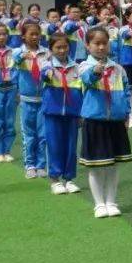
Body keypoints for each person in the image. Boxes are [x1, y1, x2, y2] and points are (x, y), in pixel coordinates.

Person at [79, 27, 132, 219]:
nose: (101, 47)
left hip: (116, 122)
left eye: (104, 43)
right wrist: (95, 71)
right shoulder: (84, 66)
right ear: (87, 45)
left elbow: (126, 92)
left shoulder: (118, 69)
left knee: (113, 164)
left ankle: (111, 201)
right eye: (96, 43)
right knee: (96, 165)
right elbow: (87, 78)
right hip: (96, 121)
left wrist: (126, 113)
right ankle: (99, 203)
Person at [40, 33, 82, 194]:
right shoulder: (48, 65)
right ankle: (55, 179)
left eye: (65, 46)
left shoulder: (76, 67)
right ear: (51, 49)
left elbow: (81, 90)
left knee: (71, 147)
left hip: (72, 113)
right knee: (54, 145)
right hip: (53, 112)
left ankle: (69, 178)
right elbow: (44, 74)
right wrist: (48, 74)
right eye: (58, 47)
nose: (62, 50)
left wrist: (81, 113)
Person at [14, 23, 49, 178]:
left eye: (37, 34)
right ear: (23, 36)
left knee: (42, 134)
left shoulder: (46, 53)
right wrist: (22, 56)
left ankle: (41, 165)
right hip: (27, 100)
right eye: (31, 34)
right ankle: (30, 165)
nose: (35, 37)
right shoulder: (18, 52)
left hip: (43, 99)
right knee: (29, 134)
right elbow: (14, 60)